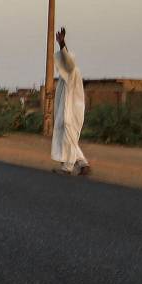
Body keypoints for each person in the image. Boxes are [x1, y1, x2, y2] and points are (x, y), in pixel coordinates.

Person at [52, 27, 90, 176]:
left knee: (68, 137)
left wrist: (62, 44)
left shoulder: (72, 71)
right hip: (68, 110)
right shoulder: (66, 74)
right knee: (70, 139)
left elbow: (68, 61)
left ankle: (67, 168)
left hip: (71, 110)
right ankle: (82, 163)